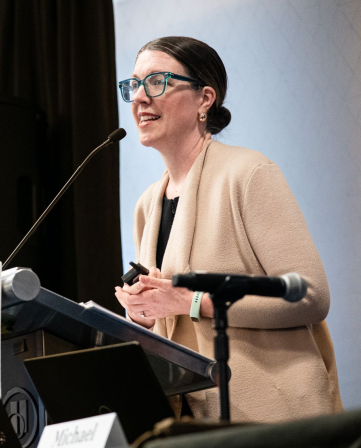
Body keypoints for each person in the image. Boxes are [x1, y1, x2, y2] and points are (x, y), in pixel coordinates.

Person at [114, 36, 342, 422]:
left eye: (156, 82)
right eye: (133, 85)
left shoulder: (248, 174)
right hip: (191, 420)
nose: (139, 97)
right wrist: (143, 314)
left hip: (273, 419)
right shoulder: (146, 205)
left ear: (205, 99)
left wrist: (190, 302)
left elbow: (310, 295)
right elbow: (171, 320)